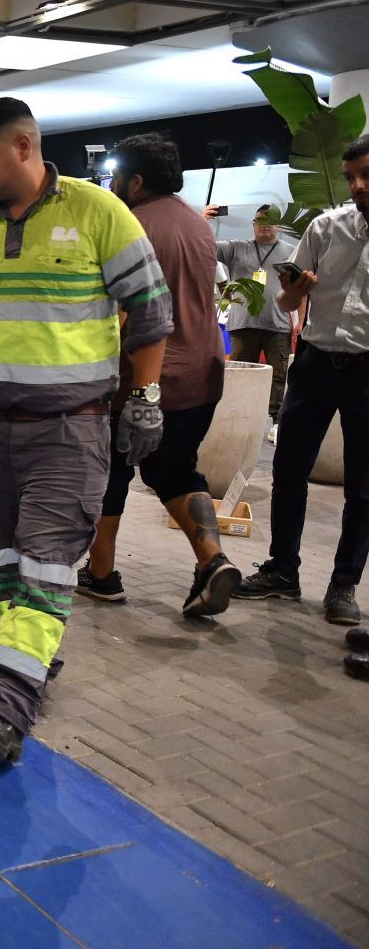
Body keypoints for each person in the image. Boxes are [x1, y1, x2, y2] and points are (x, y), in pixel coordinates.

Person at [0, 98, 172, 762]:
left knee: (45, 568)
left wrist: (145, 398)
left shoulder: (97, 212)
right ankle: (34, 654)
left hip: (69, 431)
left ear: (25, 145)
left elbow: (149, 314)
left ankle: (6, 707)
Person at [79, 133, 236, 617]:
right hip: (202, 376)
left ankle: (101, 574)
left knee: (109, 473)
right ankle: (212, 560)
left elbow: (119, 314)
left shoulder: (128, 225)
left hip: (140, 379)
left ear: (136, 181)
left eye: (117, 176)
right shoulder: (196, 223)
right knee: (175, 469)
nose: (112, 184)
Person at [236, 136, 369, 627]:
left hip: (366, 372)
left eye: (366, 175)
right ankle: (283, 571)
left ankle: (343, 584)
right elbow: (289, 307)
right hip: (314, 362)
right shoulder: (327, 226)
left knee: (363, 486)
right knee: (289, 469)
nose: (356, 186)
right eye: (351, 175)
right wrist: (295, 293)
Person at [205, 202, 297, 427]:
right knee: (240, 373)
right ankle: (235, 417)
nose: (264, 227)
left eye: (270, 222)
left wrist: (300, 323)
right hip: (242, 324)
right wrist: (204, 220)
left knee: (278, 376)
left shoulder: (292, 252)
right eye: (259, 222)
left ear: (280, 227)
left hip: (278, 324)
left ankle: (276, 421)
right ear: (253, 225)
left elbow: (301, 290)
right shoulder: (237, 247)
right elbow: (203, 246)